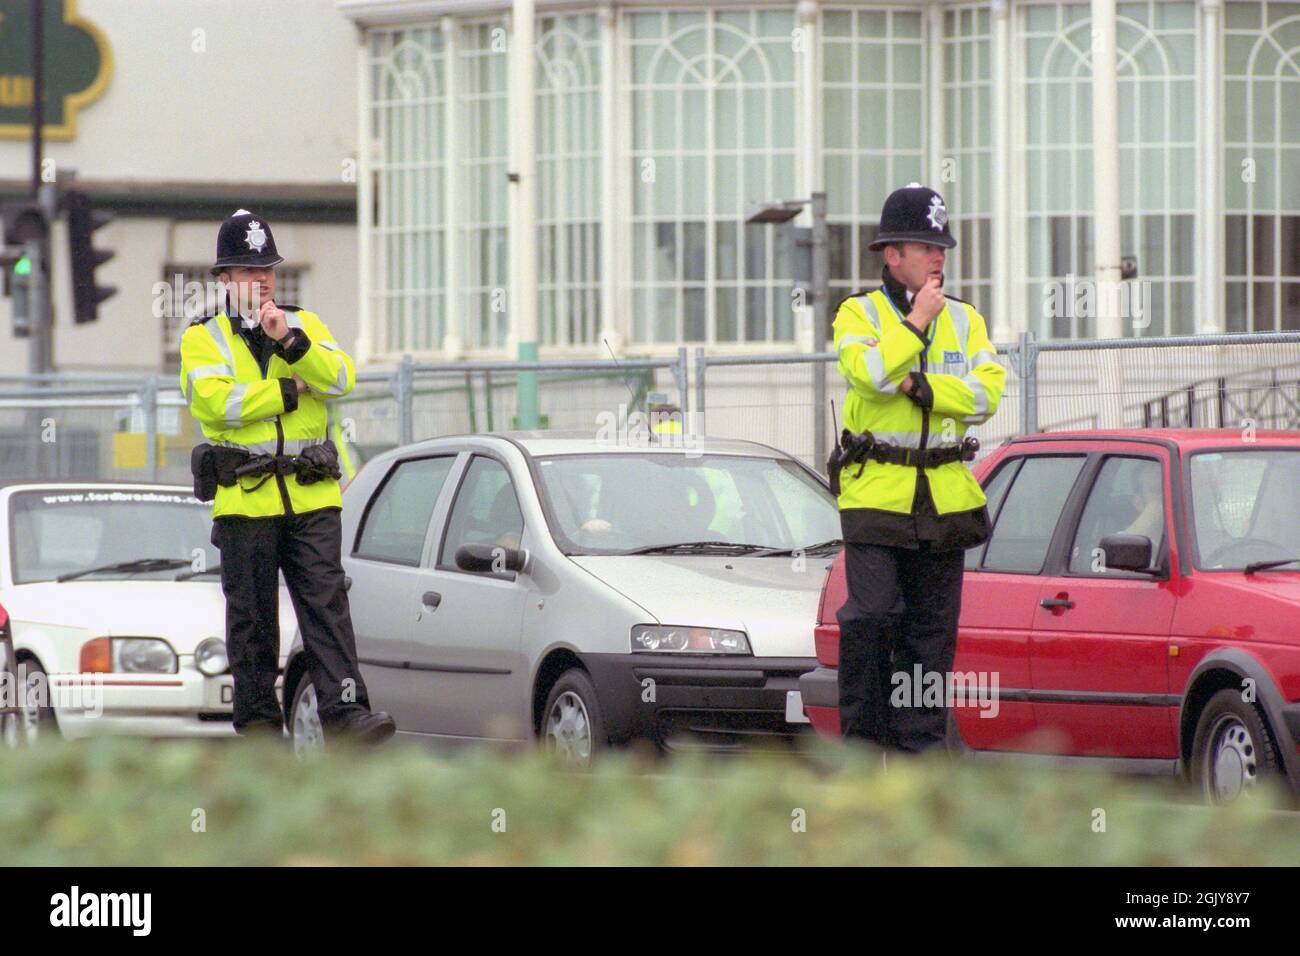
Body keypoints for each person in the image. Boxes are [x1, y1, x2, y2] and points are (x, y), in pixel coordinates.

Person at [179, 209, 395, 744]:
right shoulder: (201, 339)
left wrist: (292, 345)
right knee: (252, 623)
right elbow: (216, 403)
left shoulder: (306, 325)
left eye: (269, 269)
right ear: (225, 279)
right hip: (245, 501)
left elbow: (342, 377)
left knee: (327, 608)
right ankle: (258, 731)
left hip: (312, 495)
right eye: (250, 271)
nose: (264, 280)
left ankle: (347, 716)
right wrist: (286, 390)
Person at [830, 183, 1005, 755]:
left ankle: (919, 757)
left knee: (930, 643)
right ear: (892, 254)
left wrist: (924, 385)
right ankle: (864, 745)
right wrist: (913, 328)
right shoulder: (858, 313)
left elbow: (986, 397)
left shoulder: (966, 319)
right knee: (874, 617)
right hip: (876, 495)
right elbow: (872, 377)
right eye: (926, 247)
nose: (938, 258)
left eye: (942, 248)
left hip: (945, 500)